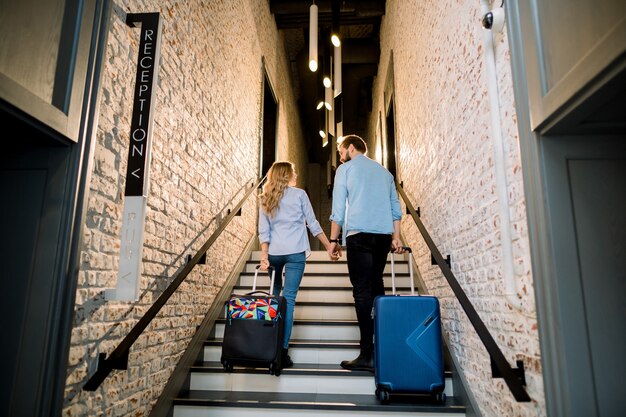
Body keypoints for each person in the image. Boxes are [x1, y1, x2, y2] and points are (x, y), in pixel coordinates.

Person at [328, 134, 404, 372]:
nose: (340, 158)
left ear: (351, 148)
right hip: (382, 236)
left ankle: (366, 354)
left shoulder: (346, 170)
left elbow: (338, 208)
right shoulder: (385, 173)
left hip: (359, 234)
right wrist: (396, 237)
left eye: (341, 152)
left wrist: (333, 239)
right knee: (376, 285)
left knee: (362, 290)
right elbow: (395, 208)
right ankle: (382, 350)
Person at [258, 161, 337, 369]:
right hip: (295, 253)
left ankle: (269, 349)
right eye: (293, 171)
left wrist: (264, 255)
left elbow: (263, 231)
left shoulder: (265, 198)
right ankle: (282, 353)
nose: (296, 174)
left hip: (273, 253)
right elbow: (313, 224)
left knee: (275, 298)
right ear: (287, 175)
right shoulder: (300, 194)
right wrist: (329, 246)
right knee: (289, 300)